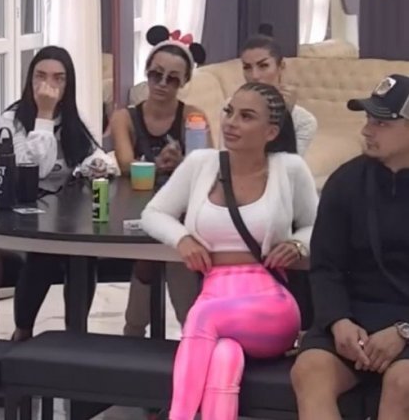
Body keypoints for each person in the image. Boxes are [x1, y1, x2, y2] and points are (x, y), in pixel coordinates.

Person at [141, 82, 319, 420]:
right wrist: (182, 239)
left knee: (202, 318)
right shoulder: (201, 163)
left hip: (270, 301)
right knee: (224, 355)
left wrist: (298, 244)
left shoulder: (289, 168)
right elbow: (153, 213)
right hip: (215, 291)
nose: (231, 122)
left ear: (270, 132)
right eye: (229, 112)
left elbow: (317, 226)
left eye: (246, 116)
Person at [291, 75, 409, 420]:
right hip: (353, 317)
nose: (367, 130)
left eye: (382, 123)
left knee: (403, 384)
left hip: (405, 323)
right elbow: (325, 266)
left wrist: (403, 331)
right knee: (310, 371)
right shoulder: (346, 181)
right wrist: (337, 320)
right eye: (368, 119)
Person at [0, 45, 119, 342]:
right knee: (44, 255)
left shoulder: (73, 118)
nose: (48, 85)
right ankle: (23, 330)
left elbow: (96, 155)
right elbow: (36, 168)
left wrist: (96, 165)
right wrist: (44, 114)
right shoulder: (11, 120)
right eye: (40, 76)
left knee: (83, 254)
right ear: (30, 81)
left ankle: (75, 336)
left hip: (67, 211)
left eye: (58, 78)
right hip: (27, 210)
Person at [110, 25, 210, 338]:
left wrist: (182, 164)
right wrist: (158, 165)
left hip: (183, 211)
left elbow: (208, 165)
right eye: (156, 75)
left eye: (172, 79)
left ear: (184, 82)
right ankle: (135, 331)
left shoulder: (193, 116)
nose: (162, 84)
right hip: (137, 206)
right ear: (146, 73)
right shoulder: (125, 117)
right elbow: (125, 164)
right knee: (147, 257)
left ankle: (191, 333)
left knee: (179, 256)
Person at [239, 32, 318, 155]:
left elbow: (288, 163)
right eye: (247, 67)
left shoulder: (304, 121)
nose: (254, 76)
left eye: (263, 66)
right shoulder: (231, 109)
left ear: (281, 66)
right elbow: (229, 158)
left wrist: (283, 116)